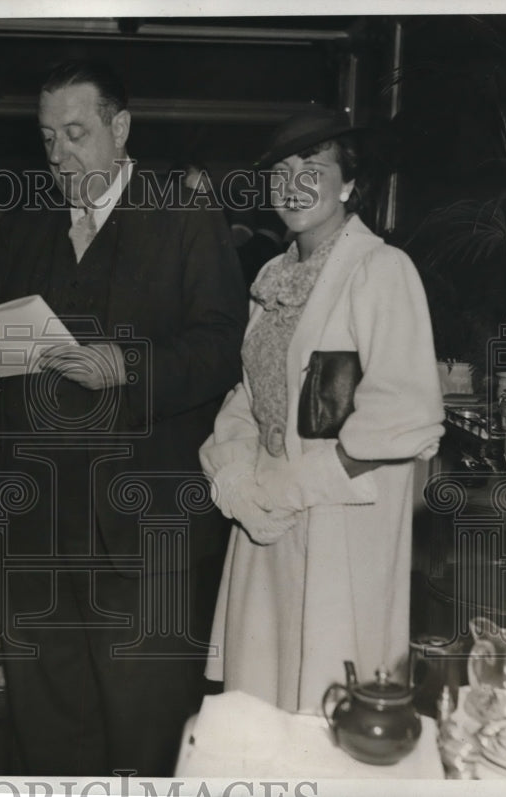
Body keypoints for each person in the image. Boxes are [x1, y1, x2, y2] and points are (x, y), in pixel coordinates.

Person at [0, 60, 246, 776]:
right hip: (36, 527)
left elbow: (220, 346)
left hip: (143, 532)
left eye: (77, 133)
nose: (59, 155)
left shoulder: (184, 217)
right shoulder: (25, 226)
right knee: (45, 731)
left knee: (145, 733)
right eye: (48, 138)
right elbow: (5, 337)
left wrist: (127, 366)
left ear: (121, 128)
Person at [200, 108, 445, 712]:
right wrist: (235, 478)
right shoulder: (271, 275)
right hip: (266, 529)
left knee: (328, 708)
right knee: (261, 710)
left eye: (313, 169)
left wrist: (291, 485)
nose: (293, 186)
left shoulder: (381, 270)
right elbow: (250, 397)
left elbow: (403, 415)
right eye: (281, 172)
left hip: (339, 520)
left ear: (349, 184)